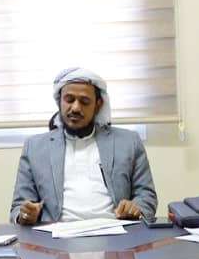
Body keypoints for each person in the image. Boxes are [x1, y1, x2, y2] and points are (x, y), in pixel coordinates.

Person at [10, 67, 157, 225]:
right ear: (59, 101)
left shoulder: (128, 142)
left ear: (98, 105)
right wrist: (26, 215)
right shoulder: (35, 147)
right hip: (57, 233)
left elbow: (146, 196)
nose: (75, 108)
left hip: (115, 230)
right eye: (69, 99)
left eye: (84, 102)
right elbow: (19, 208)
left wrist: (136, 208)